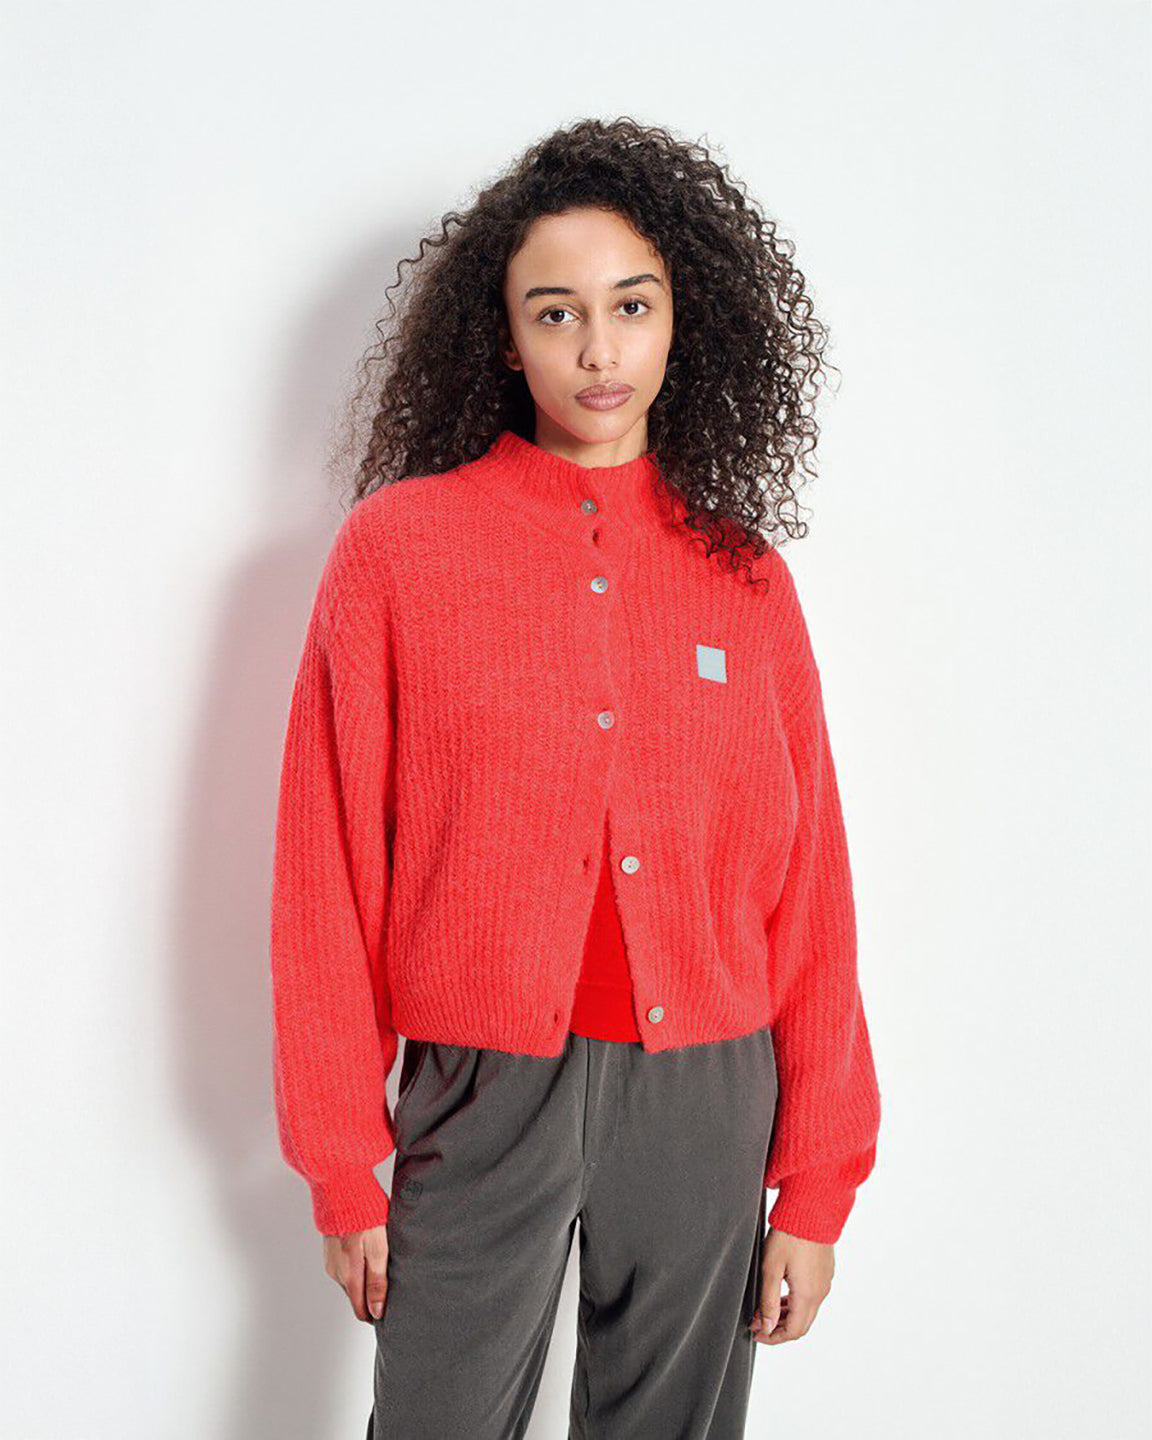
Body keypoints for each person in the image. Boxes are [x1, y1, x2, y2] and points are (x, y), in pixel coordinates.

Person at [269, 116, 882, 1440]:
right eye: (557, 313)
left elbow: (811, 888)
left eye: (631, 306)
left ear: (681, 321)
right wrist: (343, 1164)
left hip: (707, 1095)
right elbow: (326, 868)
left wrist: (818, 1182)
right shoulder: (400, 554)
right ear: (504, 338)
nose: (600, 350)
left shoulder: (745, 579)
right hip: (480, 1088)